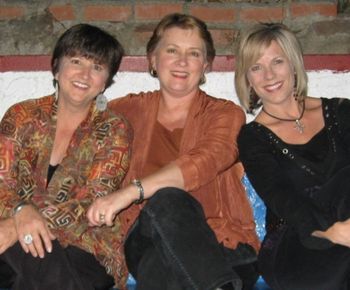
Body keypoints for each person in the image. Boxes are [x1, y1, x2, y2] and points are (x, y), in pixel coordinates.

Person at [87, 13, 260, 290]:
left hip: (224, 246)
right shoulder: (124, 112)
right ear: (153, 59)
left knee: (162, 259)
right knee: (166, 206)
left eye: (193, 53)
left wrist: (131, 192)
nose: (182, 61)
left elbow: (206, 159)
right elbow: (76, 128)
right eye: (172, 50)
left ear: (205, 65)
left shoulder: (225, 114)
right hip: (144, 238)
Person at [0, 24, 132, 290]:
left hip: (88, 245)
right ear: (56, 67)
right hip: (15, 239)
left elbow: (92, 203)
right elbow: (2, 184)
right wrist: (20, 213)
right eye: (76, 61)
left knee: (43, 262)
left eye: (97, 67)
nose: (85, 74)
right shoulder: (21, 116)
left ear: (106, 80)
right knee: (40, 261)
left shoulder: (115, 128)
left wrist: (21, 224)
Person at [236, 22, 350, 290]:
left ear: (294, 63)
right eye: (256, 67)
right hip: (295, 245)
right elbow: (283, 199)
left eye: (277, 61)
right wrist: (331, 232)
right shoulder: (253, 137)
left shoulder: (341, 112)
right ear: (248, 78)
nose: (268, 75)